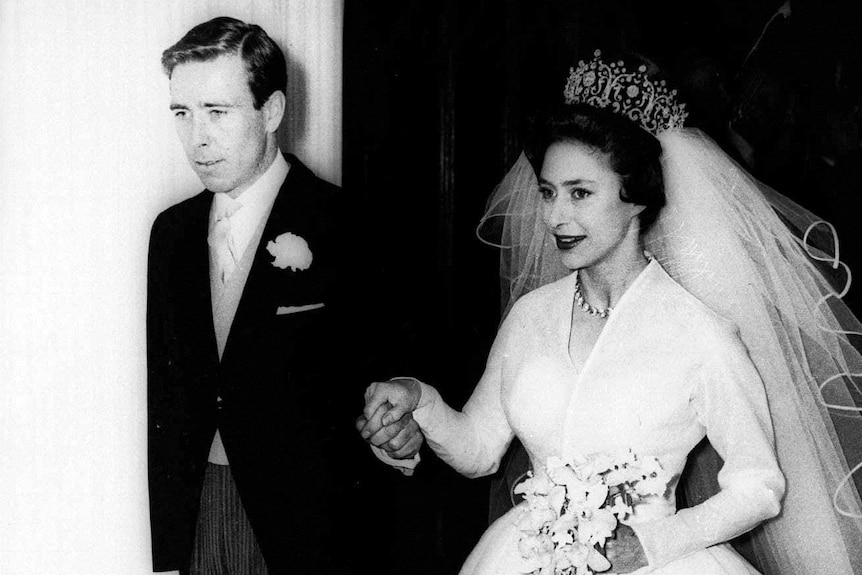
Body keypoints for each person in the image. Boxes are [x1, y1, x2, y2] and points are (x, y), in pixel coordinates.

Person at [359, 50, 862, 574]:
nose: (555, 216)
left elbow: (759, 486)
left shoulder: (699, 333)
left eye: (580, 193)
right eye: (549, 193)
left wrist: (654, 544)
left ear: (636, 197)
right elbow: (481, 448)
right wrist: (421, 400)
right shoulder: (531, 317)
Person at [147, 17, 421, 575]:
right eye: (183, 113)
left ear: (271, 112)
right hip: (203, 513)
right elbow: (167, 398)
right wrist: (169, 552)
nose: (196, 137)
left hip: (312, 525)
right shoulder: (171, 234)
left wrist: (403, 431)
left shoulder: (348, 223)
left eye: (217, 112)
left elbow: (398, 371)